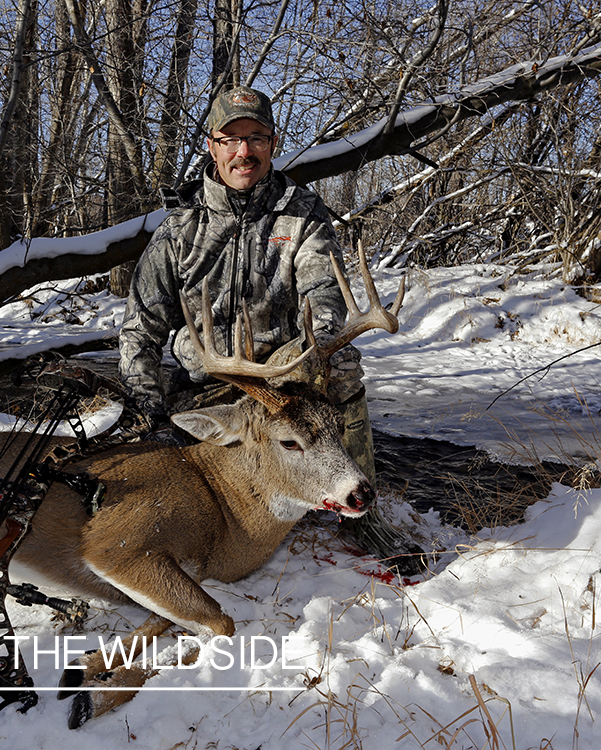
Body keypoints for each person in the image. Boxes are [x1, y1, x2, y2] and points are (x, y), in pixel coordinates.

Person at [118, 85, 396, 555]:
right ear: (212, 145)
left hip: (285, 384)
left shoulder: (301, 215)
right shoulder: (180, 228)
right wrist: (144, 408)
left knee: (344, 361)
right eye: (231, 139)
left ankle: (364, 512)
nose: (243, 152)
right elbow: (140, 327)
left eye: (257, 138)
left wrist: (321, 347)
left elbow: (324, 294)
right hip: (209, 381)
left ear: (272, 144)